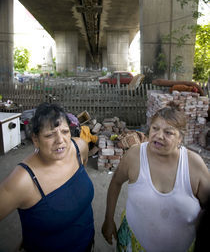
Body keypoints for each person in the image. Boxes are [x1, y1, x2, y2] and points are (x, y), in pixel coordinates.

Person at [102, 102, 210, 252]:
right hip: (133, 242)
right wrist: (108, 219)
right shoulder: (134, 155)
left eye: (168, 132)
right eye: (155, 128)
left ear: (180, 138)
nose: (159, 136)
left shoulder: (193, 165)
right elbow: (115, 183)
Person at [0, 102, 95, 252]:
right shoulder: (23, 180)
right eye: (50, 135)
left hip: (87, 242)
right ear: (35, 140)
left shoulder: (79, 148)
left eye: (64, 131)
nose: (60, 140)